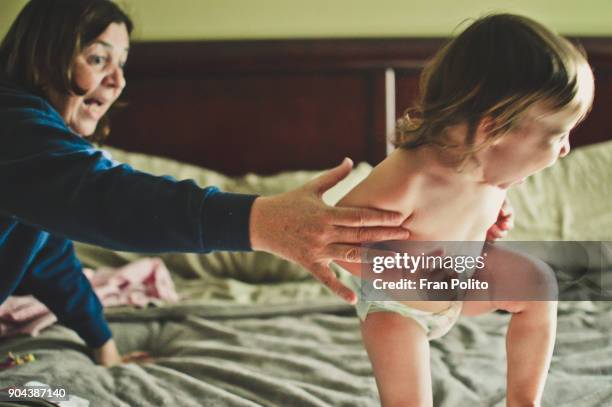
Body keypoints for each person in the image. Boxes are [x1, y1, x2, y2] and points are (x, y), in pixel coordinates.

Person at [0, 0, 510, 367]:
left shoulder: (34, 168)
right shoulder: (12, 126)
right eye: (97, 58)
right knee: (40, 394)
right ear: (44, 54)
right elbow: (105, 197)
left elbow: (49, 259)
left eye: (123, 64)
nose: (118, 81)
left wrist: (103, 349)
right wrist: (263, 221)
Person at [334, 14, 594, 406]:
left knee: (539, 284)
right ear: (494, 130)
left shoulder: (495, 169)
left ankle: (523, 400)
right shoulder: (410, 176)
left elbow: (470, 207)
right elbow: (334, 240)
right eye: (558, 135)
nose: (565, 150)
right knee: (403, 376)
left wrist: (493, 216)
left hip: (462, 280)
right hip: (398, 304)